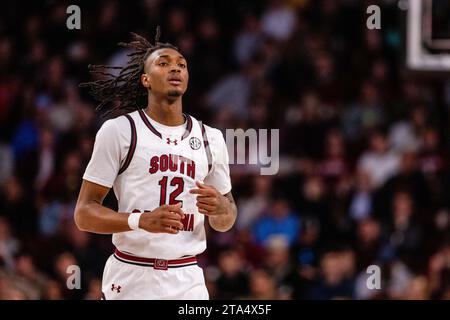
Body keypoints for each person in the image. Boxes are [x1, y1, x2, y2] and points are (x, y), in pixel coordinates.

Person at [74, 28, 237, 300]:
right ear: (146, 79)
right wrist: (141, 220)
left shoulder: (212, 138)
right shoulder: (120, 131)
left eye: (181, 65)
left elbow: (226, 220)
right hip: (131, 273)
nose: (175, 68)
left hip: (187, 278)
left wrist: (221, 208)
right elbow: (83, 214)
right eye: (164, 63)